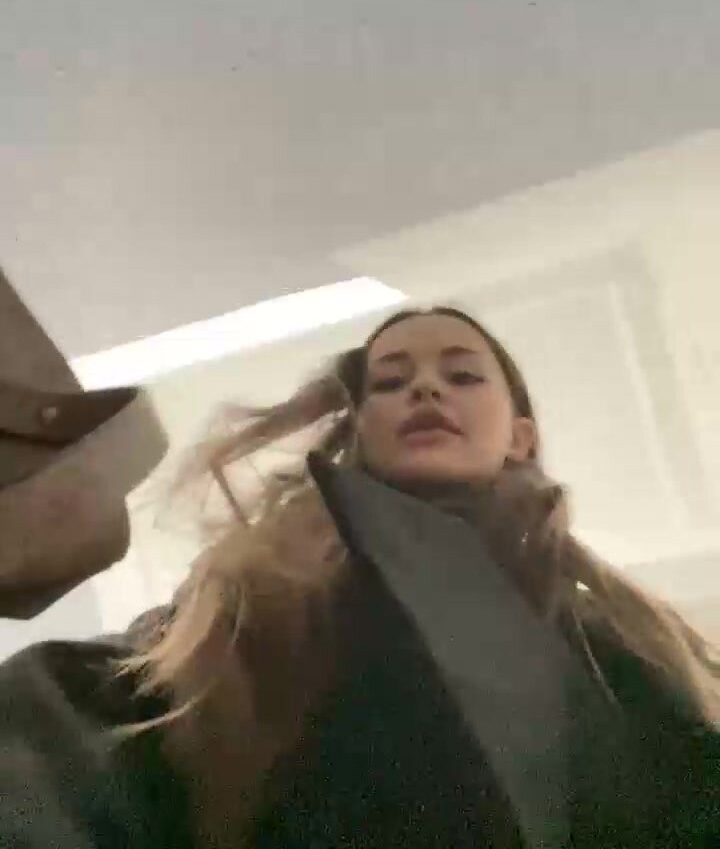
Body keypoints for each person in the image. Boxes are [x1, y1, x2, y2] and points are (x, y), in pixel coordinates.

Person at [0, 306, 718, 848]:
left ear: (521, 436)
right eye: (391, 381)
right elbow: (79, 734)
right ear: (359, 432)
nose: (425, 388)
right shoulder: (248, 611)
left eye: (462, 375)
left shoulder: (628, 650)